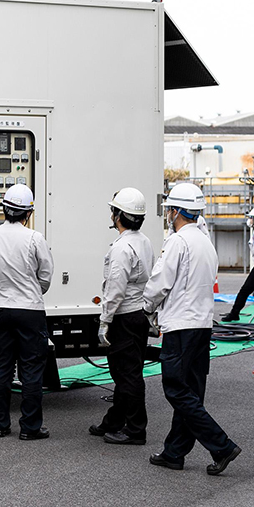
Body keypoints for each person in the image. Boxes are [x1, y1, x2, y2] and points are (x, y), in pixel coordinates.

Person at [142, 182, 241, 475]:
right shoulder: (206, 243)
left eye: (169, 210)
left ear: (176, 211)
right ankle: (174, 452)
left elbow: (160, 282)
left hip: (180, 326)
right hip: (202, 325)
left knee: (175, 389)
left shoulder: (178, 241)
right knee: (191, 392)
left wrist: (147, 307)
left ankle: (221, 445)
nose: (168, 215)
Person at [0, 183, 54, 441]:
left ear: (4, 209)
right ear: (28, 213)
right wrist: (33, 290)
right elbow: (46, 275)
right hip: (29, 310)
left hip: (0, 308)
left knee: (1, 366)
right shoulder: (34, 238)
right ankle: (30, 428)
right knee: (31, 369)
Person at [90, 188, 155, 446]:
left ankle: (136, 430)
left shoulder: (121, 248)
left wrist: (105, 321)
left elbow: (115, 289)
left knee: (128, 375)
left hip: (124, 317)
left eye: (113, 211)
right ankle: (114, 421)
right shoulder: (144, 242)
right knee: (126, 372)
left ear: (118, 216)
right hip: (138, 315)